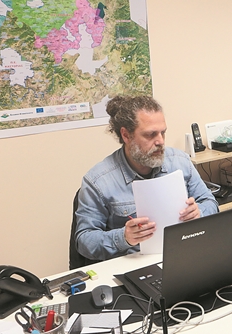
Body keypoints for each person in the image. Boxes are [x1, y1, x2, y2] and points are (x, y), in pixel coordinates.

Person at [75, 95, 219, 261]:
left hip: (183, 254)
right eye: (150, 135)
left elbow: (210, 202)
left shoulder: (180, 162)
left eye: (163, 133)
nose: (160, 141)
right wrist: (124, 237)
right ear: (126, 135)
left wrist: (199, 212)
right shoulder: (99, 181)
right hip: (135, 263)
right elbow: (84, 241)